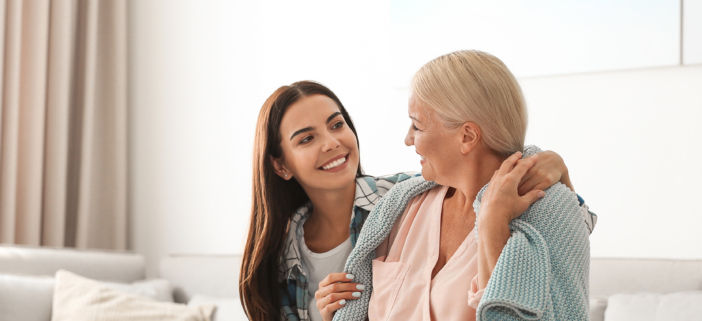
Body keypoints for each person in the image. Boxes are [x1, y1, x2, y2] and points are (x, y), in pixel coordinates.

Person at [238, 80, 595, 321]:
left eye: (336, 125)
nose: (331, 143)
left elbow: (563, 218)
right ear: (281, 165)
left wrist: (546, 163)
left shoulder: (403, 198)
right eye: (306, 139)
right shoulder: (280, 258)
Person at [329, 50, 593, 321]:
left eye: (417, 126)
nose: (408, 139)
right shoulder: (400, 206)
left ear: (467, 136)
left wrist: (492, 228)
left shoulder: (549, 213)